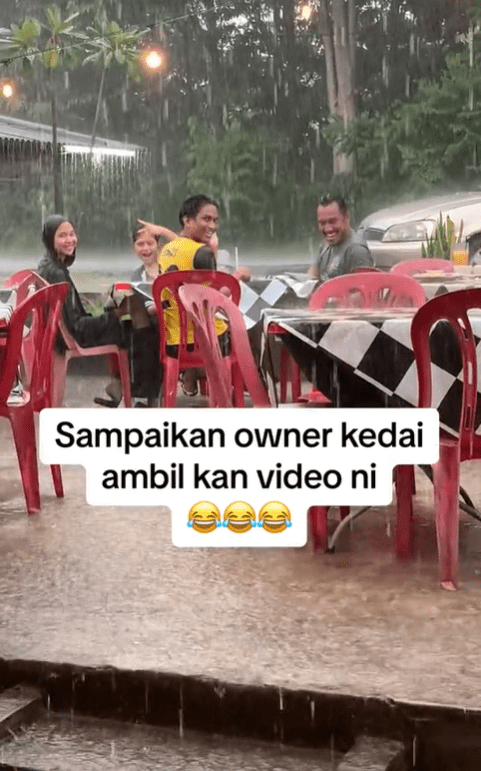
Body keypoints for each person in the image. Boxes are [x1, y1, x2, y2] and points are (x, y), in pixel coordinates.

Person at [37, 214, 160, 408]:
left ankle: (124, 388)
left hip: (66, 333)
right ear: (50, 239)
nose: (70, 240)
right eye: (62, 236)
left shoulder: (49, 266)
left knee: (133, 314)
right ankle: (141, 397)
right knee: (143, 326)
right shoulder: (57, 273)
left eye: (71, 234)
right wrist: (116, 314)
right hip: (76, 335)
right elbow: (76, 326)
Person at [308, 196, 374, 281]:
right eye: (322, 223)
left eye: (332, 221)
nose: (328, 229)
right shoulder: (326, 245)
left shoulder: (356, 250)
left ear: (347, 218)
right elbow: (312, 272)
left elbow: (365, 286)